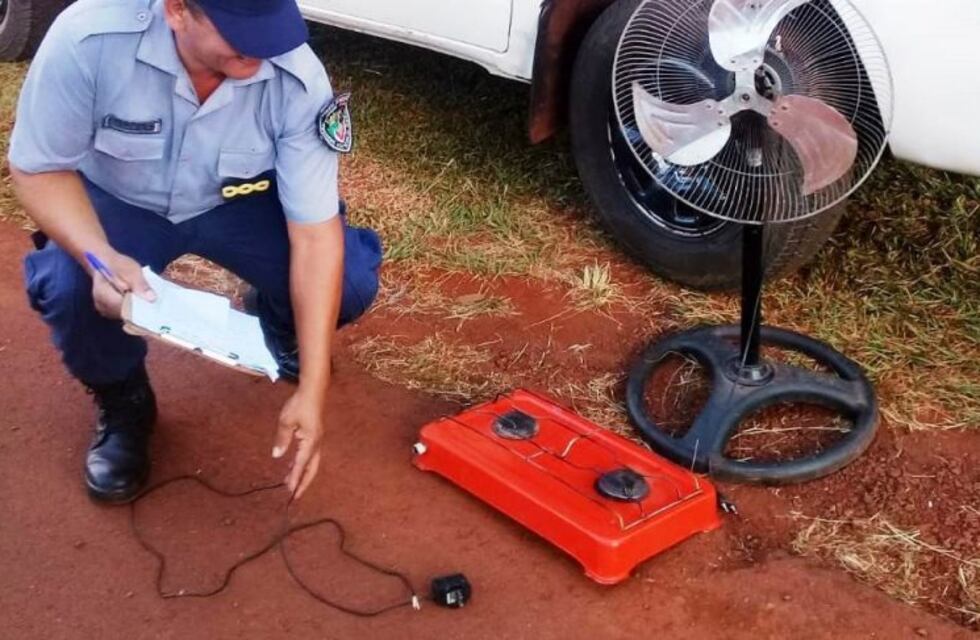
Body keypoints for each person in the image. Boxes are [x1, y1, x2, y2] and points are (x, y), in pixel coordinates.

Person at [8, 0, 382, 503]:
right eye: (239, 30)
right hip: (120, 202)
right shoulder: (87, 39)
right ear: (178, 10)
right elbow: (38, 168)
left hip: (237, 201)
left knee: (350, 281)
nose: (263, 47)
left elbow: (315, 237)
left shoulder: (296, 74)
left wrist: (312, 390)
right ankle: (125, 402)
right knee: (72, 286)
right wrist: (99, 256)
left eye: (272, 27)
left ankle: (276, 324)